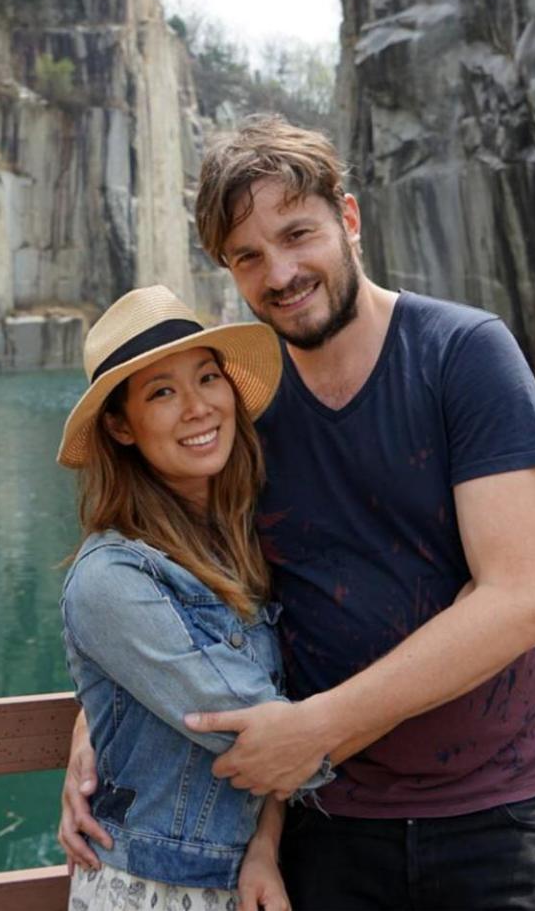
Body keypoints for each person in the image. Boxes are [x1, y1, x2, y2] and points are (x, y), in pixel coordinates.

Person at [60, 116, 535, 910]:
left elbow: (517, 601)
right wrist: (106, 713)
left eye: (298, 233)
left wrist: (320, 727)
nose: (282, 272)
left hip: (495, 814)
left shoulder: (464, 354)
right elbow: (191, 597)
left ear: (349, 217)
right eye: (248, 257)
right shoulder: (244, 417)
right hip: (323, 829)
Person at [56, 285, 330, 910]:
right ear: (121, 427)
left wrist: (264, 842)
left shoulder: (254, 536)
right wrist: (431, 687)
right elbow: (255, 736)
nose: (198, 408)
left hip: (251, 878)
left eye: (207, 378)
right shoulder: (113, 578)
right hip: (151, 892)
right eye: (161, 392)